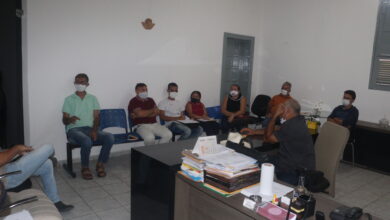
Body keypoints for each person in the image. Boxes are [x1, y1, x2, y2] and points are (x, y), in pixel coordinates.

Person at [244, 99, 315, 185]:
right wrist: (254, 131)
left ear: (287, 111)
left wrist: (273, 117)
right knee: (262, 157)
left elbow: (269, 138)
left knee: (256, 160)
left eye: (280, 111)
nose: (280, 115)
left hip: (295, 170)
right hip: (298, 162)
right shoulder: (298, 120)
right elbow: (277, 128)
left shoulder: (291, 126)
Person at [62, 73, 114, 180]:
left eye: (82, 82)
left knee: (109, 137)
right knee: (86, 140)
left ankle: (100, 164)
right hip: (73, 130)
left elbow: (97, 118)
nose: (79, 84)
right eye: (77, 82)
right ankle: (85, 167)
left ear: (87, 84)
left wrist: (94, 130)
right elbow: (64, 120)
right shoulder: (69, 99)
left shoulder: (93, 98)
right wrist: (70, 119)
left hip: (90, 128)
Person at [1, 144, 73, 212]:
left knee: (47, 164)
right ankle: (43, 157)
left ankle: (55, 201)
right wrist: (16, 149)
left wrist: (14, 153)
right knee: (49, 147)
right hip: (7, 176)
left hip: (7, 168)